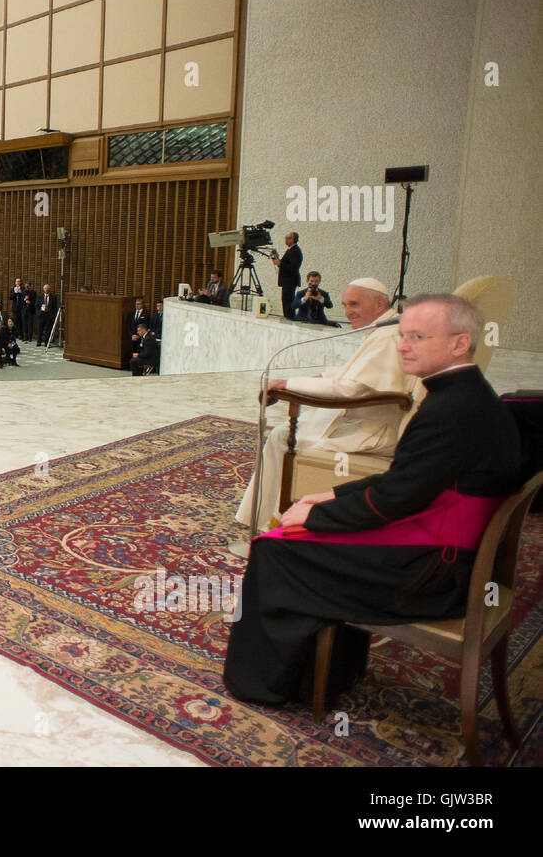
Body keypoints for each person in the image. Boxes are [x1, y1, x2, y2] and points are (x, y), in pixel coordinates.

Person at [224, 294, 523, 706]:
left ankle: (269, 685)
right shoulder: (467, 393)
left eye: (417, 337)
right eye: (402, 336)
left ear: (459, 344)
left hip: (437, 575)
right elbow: (411, 482)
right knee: (295, 535)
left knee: (277, 548)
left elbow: (394, 499)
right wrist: (331, 493)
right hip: (448, 548)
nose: (402, 346)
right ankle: (328, 675)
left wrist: (313, 517)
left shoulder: (450, 408)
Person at [235, 277, 412, 533]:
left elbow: (350, 388)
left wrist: (290, 384)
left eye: (354, 304)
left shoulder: (387, 336)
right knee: (284, 432)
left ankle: (272, 521)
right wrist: (324, 377)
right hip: (368, 420)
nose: (348, 311)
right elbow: (359, 374)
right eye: (345, 304)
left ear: (379, 303)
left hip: (373, 432)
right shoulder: (385, 329)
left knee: (283, 436)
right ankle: (268, 516)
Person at [270, 230, 303, 320]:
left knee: (288, 301)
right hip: (287, 281)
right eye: (286, 238)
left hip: (290, 281)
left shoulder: (295, 250)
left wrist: (280, 263)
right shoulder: (291, 250)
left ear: (295, 239)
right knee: (286, 300)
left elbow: (293, 267)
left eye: (289, 238)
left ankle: (289, 318)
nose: (286, 240)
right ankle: (288, 317)